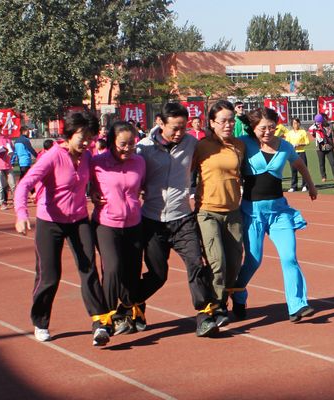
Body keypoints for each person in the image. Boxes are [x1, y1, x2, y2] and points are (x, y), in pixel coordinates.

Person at [13, 111, 112, 346]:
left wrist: (94, 191)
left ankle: (99, 323)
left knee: (89, 268)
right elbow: (24, 184)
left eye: (90, 137)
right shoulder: (52, 157)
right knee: (49, 275)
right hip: (50, 222)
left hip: (78, 220)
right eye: (82, 137)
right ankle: (41, 321)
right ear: (69, 134)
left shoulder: (87, 156)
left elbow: (91, 179)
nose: (87, 142)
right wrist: (21, 214)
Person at [136, 102, 220, 337]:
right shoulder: (143, 148)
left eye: (183, 127)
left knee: (196, 264)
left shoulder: (191, 143)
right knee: (157, 275)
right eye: (174, 128)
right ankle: (133, 303)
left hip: (183, 218)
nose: (179, 133)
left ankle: (204, 315)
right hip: (152, 221)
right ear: (160, 123)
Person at [231, 107, 317, 323]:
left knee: (289, 257)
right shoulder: (244, 143)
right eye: (263, 128)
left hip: (279, 212)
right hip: (252, 212)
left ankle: (297, 305)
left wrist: (311, 185)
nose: (268, 132)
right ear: (253, 128)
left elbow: (299, 164)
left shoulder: (285, 146)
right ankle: (238, 294)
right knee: (253, 261)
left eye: (272, 127)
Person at [192, 100, 245, 327]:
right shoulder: (201, 146)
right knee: (217, 261)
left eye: (231, 120)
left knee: (234, 263)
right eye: (222, 121)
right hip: (207, 211)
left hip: (233, 212)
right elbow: (184, 172)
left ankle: (228, 298)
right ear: (212, 122)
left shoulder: (239, 146)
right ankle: (216, 305)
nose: (228, 125)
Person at [90, 121, 146, 335]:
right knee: (112, 268)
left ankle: (129, 314)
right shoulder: (97, 162)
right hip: (106, 223)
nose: (128, 148)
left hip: (134, 224)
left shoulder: (139, 162)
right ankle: (104, 319)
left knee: (132, 272)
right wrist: (92, 193)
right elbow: (83, 182)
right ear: (112, 142)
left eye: (132, 143)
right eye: (123, 144)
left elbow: (143, 185)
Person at [309, 113, 334, 182]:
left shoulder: (330, 126)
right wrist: (314, 130)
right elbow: (314, 135)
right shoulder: (316, 127)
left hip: (329, 147)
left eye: (325, 118)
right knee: (321, 163)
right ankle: (323, 177)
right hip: (320, 148)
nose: (324, 120)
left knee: (332, 162)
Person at [285, 118, 310, 191]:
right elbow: (287, 143)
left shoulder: (303, 132)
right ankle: (293, 186)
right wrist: (291, 146)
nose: (296, 125)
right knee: (293, 170)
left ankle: (305, 185)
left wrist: (299, 144)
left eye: (297, 123)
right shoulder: (289, 133)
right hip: (292, 153)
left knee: (303, 169)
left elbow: (307, 142)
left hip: (301, 152)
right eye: (294, 123)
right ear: (292, 124)